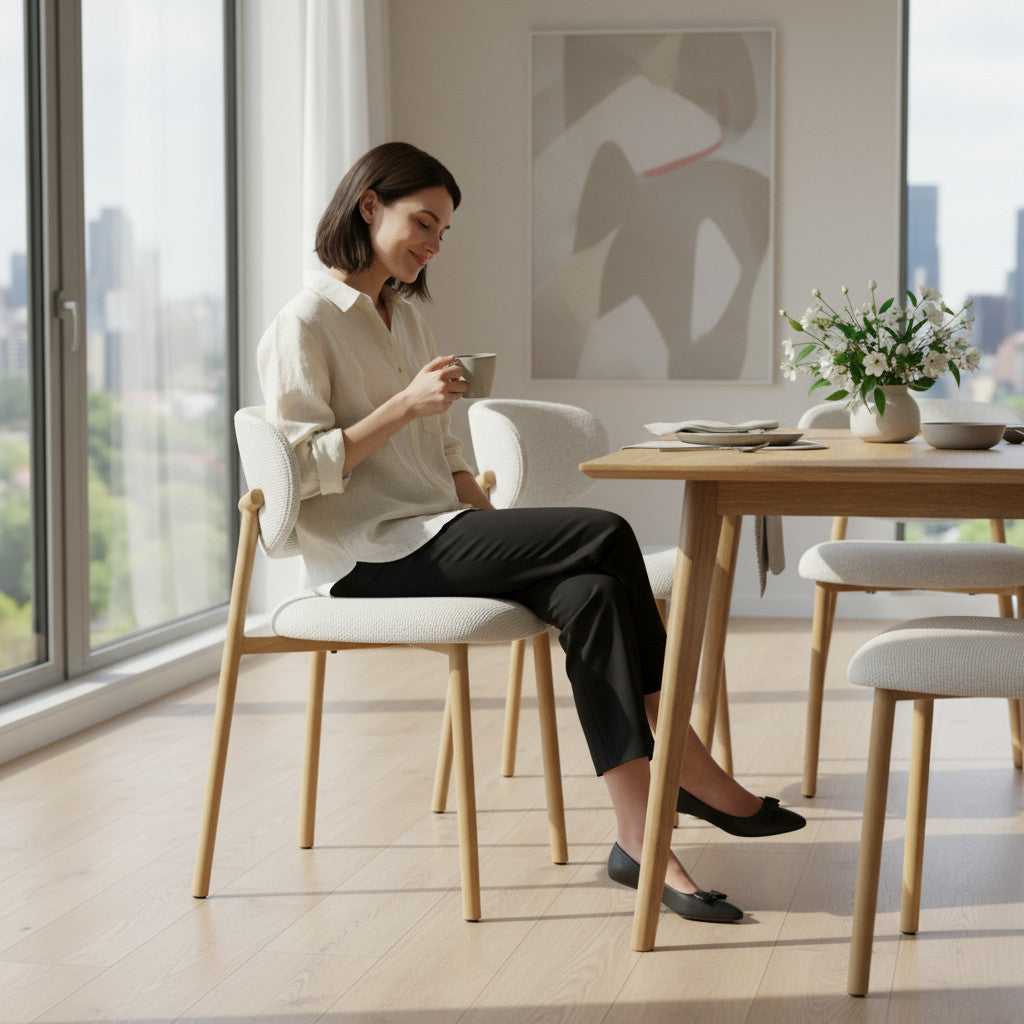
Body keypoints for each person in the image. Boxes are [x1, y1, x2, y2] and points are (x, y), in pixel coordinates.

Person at [257, 141, 804, 924]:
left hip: (438, 534)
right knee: (605, 531)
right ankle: (686, 759)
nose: (434, 243)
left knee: (590, 593)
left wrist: (502, 540)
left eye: (444, 231)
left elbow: (447, 456)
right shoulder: (304, 322)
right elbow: (300, 469)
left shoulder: (407, 318)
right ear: (369, 205)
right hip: (366, 555)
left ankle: (638, 841)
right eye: (423, 222)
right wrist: (404, 406)